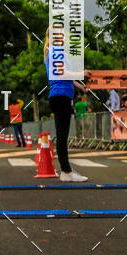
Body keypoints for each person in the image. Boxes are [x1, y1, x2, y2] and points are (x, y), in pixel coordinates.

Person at [44, 27, 88, 182]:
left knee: (63, 134)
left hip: (62, 95)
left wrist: (80, 86)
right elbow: (62, 74)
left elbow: (65, 75)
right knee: (62, 136)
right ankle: (66, 171)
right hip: (61, 96)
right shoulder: (56, 51)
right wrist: (82, 73)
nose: (63, 36)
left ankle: (66, 169)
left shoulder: (56, 51)